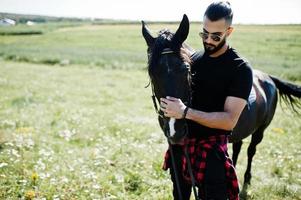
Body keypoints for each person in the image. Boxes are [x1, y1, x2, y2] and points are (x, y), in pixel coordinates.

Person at [160, 1, 253, 200]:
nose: (208, 40)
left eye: (216, 36)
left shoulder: (240, 69)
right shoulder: (192, 60)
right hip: (182, 144)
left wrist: (185, 112)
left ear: (229, 31)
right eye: (205, 33)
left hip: (211, 151)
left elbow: (229, 120)